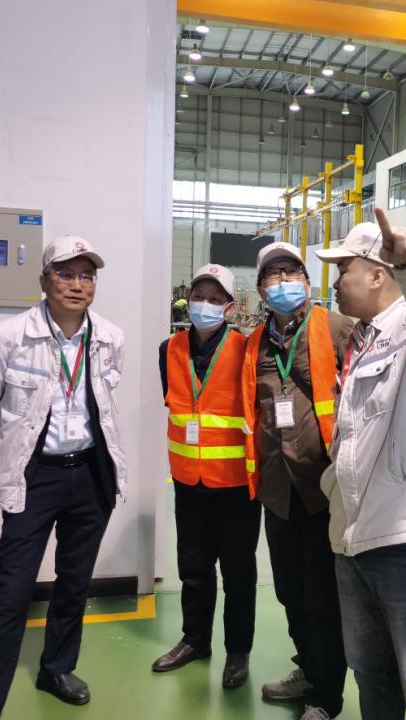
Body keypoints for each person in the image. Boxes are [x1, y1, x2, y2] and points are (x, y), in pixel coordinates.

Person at [0, 236, 126, 719]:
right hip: (35, 475)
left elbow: (104, 404)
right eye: (65, 273)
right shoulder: (8, 336)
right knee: (11, 592)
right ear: (44, 279)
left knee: (74, 582)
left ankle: (56, 668)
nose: (77, 285)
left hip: (91, 473)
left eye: (87, 275)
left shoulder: (110, 338)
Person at [316, 208, 406, 720]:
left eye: (344, 270)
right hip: (353, 537)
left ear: (378, 275)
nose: (336, 282)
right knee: (372, 677)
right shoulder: (363, 338)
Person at [242, 240, 354, 720]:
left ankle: (326, 695)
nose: (284, 281)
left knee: (322, 596)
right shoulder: (254, 344)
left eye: (292, 272)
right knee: (289, 590)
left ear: (308, 282)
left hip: (323, 489)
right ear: (261, 289)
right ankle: (308, 668)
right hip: (278, 490)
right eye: (274, 275)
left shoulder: (337, 327)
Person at [152, 263, 260, 689]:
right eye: (199, 296)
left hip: (235, 484)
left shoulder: (247, 350)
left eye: (216, 299)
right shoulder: (169, 348)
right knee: (193, 567)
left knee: (238, 573)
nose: (205, 305)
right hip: (187, 481)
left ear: (230, 308)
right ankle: (195, 639)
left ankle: (238, 650)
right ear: (188, 300)